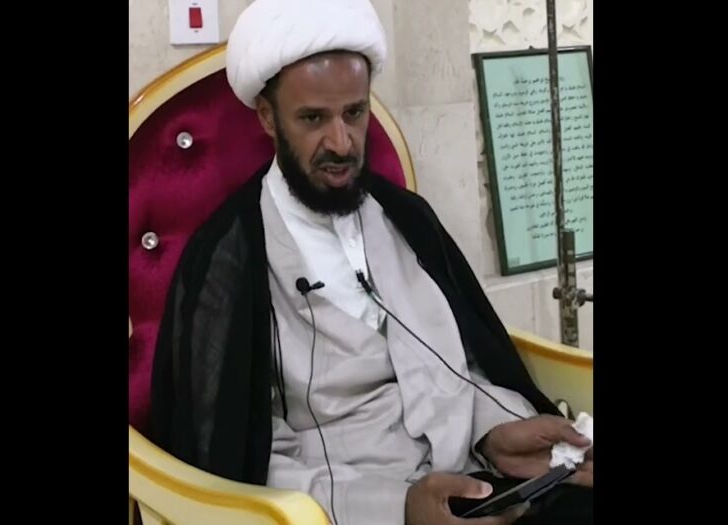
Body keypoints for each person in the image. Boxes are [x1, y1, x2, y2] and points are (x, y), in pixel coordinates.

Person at [147, 0, 593, 523]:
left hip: (476, 476)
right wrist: (397, 507)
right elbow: (234, 459)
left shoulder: (407, 219)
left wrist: (496, 431)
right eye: (313, 118)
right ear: (268, 117)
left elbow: (463, 365)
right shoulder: (227, 261)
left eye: (354, 113)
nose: (341, 143)